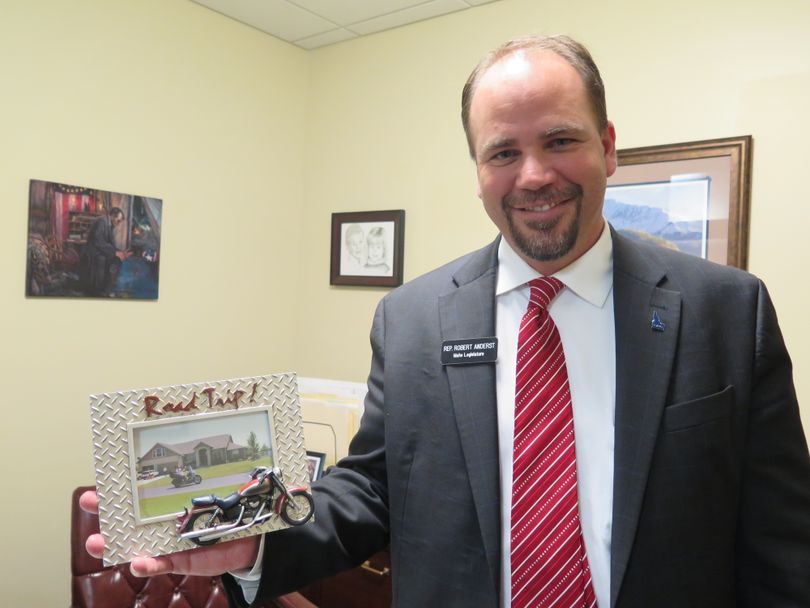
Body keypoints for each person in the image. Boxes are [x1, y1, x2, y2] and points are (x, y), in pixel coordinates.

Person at [83, 35, 810, 607]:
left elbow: (783, 550)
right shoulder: (411, 320)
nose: (533, 175)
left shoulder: (726, 312)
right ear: (477, 170)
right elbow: (368, 492)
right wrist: (253, 544)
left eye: (559, 140)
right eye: (503, 152)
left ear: (608, 146)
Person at [79, 206, 130, 296]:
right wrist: (115, 253)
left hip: (100, 251)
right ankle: (100, 291)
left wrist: (120, 252)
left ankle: (107, 289)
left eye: (120, 222)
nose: (118, 224)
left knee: (116, 260)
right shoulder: (101, 222)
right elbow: (98, 242)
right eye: (118, 221)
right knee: (104, 260)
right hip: (93, 253)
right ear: (112, 216)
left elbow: (110, 244)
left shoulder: (109, 225)